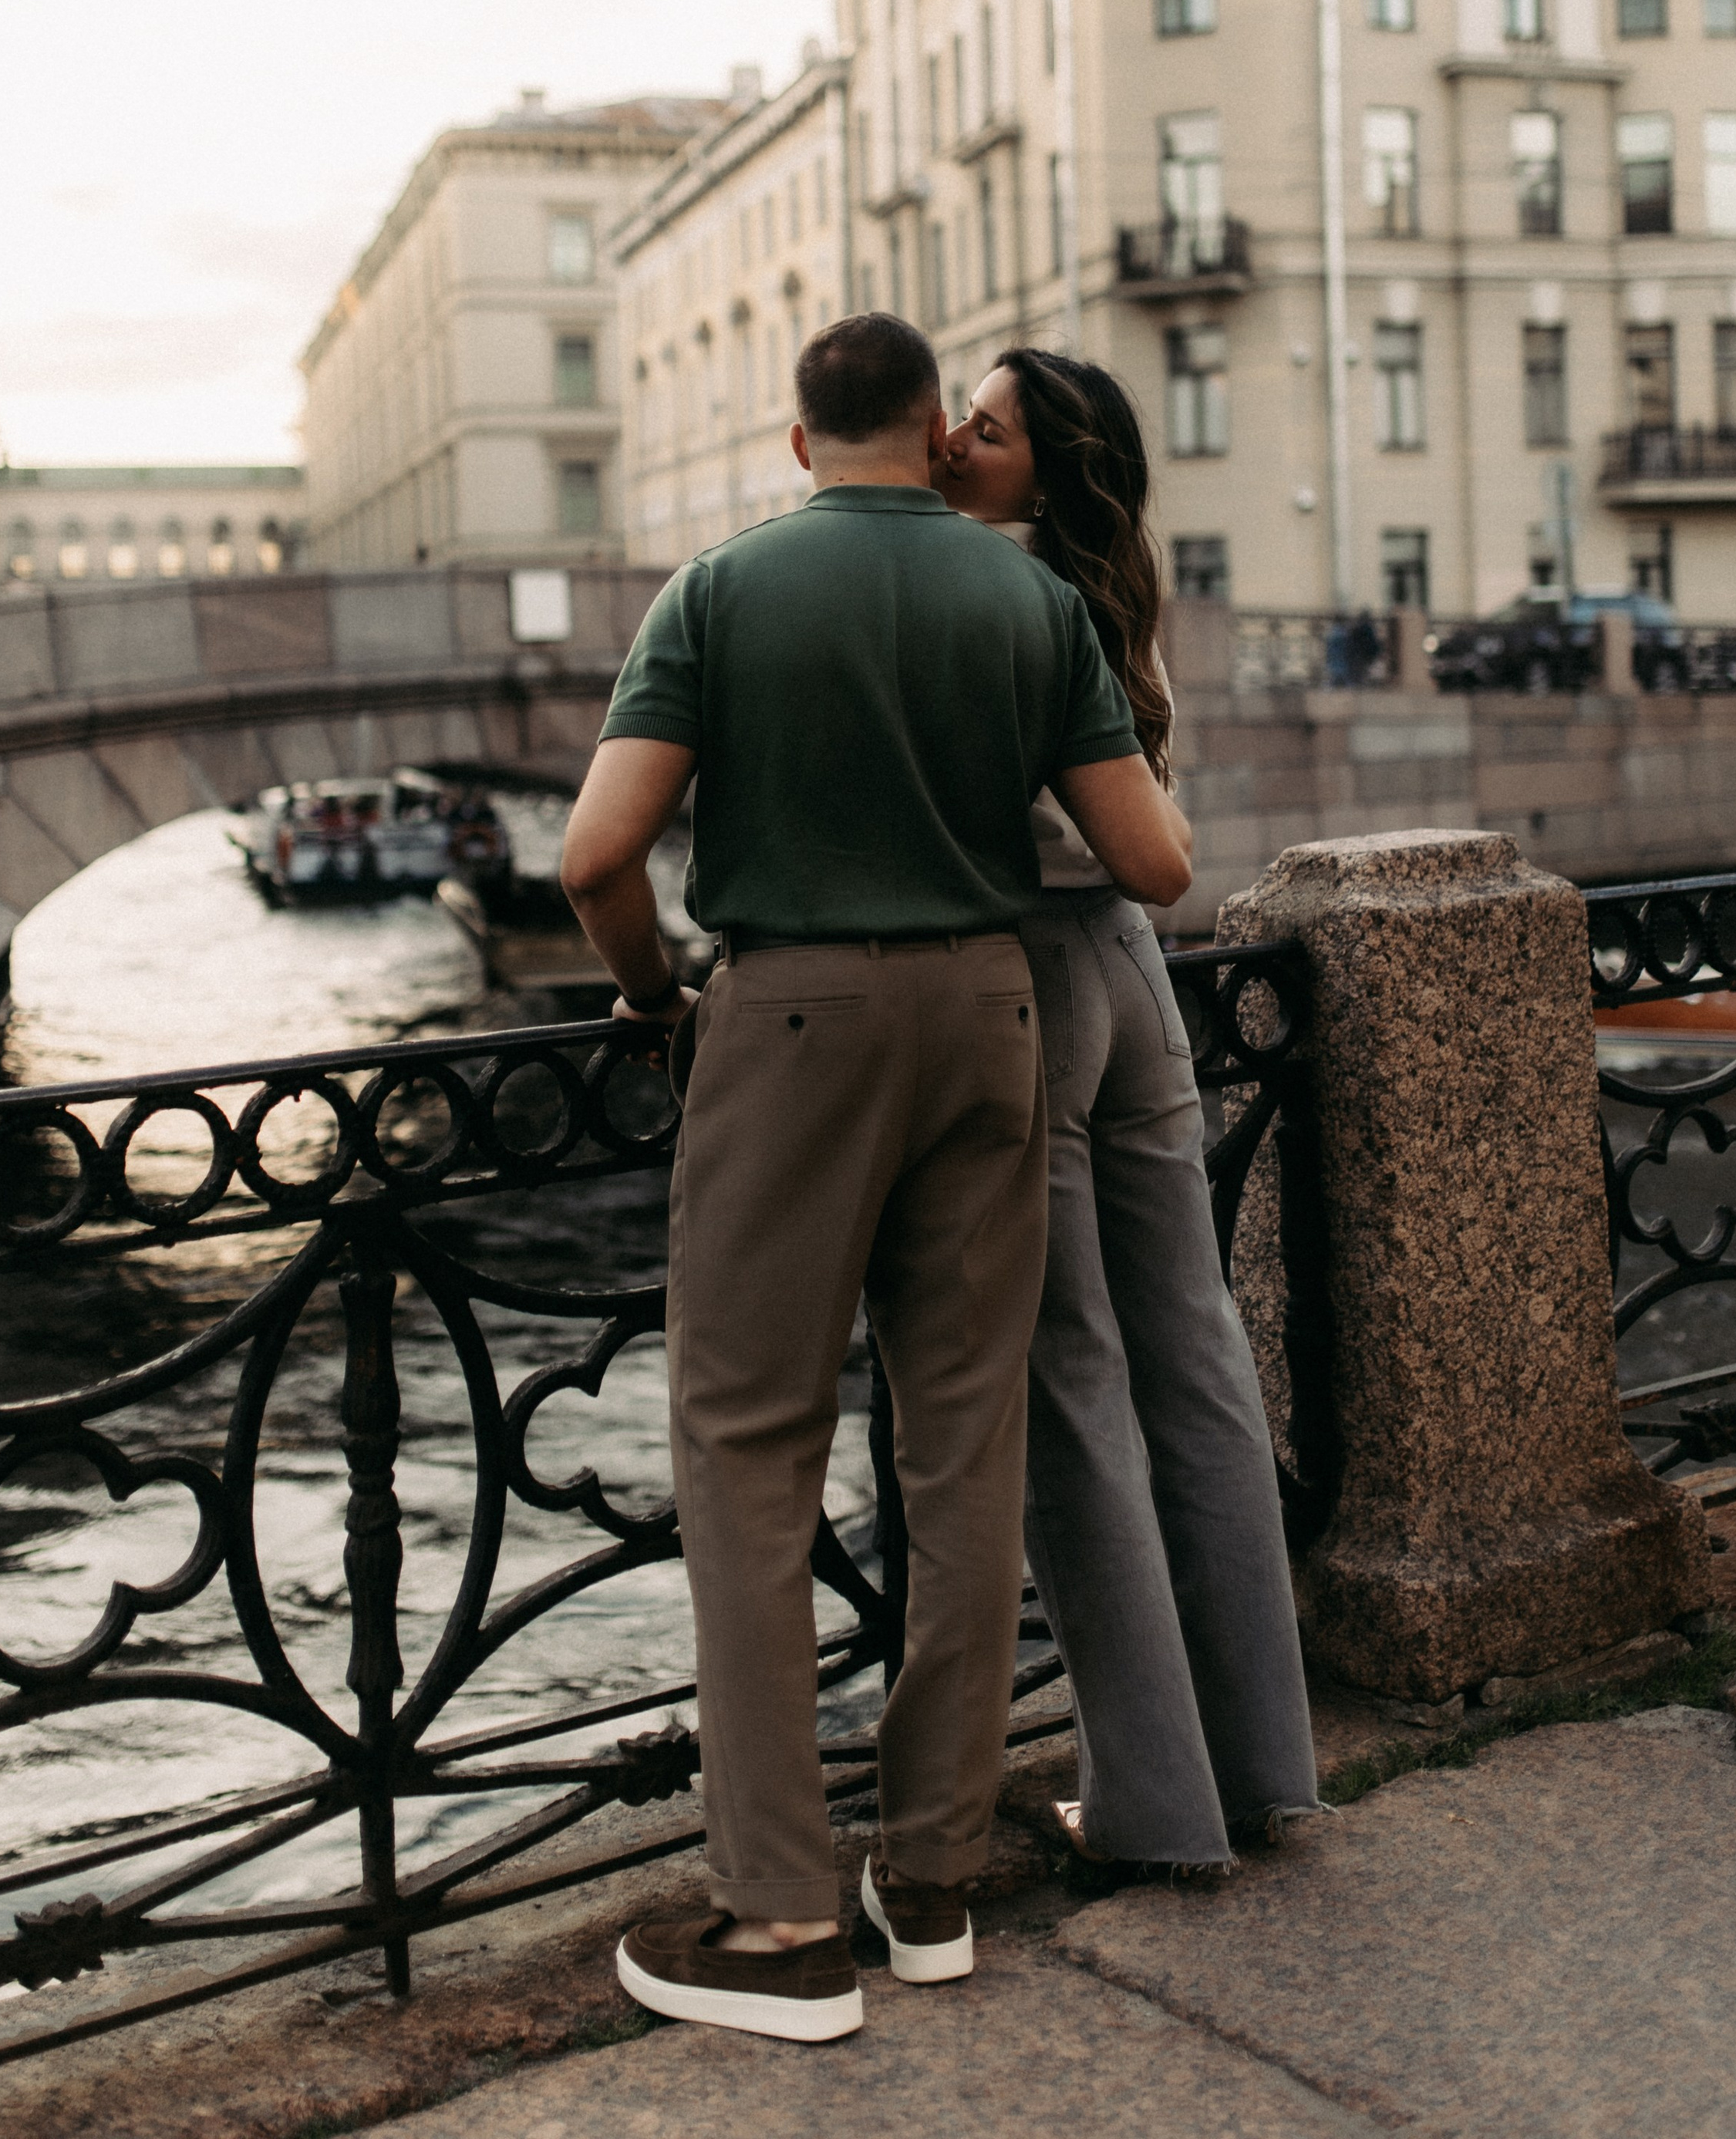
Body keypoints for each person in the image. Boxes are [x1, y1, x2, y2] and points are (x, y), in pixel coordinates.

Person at [558, 313, 1191, 2043]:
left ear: (794, 438)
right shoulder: (1034, 604)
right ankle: (925, 1884)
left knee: (750, 1446)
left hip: (790, 1026)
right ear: (929, 428)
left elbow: (598, 853)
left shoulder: (715, 590)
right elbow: (1153, 860)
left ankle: (774, 1921)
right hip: (987, 1018)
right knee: (963, 1443)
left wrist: (647, 991)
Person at [938, 348, 1319, 1871]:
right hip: (1137, 979)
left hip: (1032, 972)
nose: (955, 437)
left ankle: (1151, 1805)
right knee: (1198, 1357)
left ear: (1048, 465)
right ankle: (1262, 1765)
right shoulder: (1108, 580)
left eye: (985, 423)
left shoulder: (987, 592)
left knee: (1073, 1383)